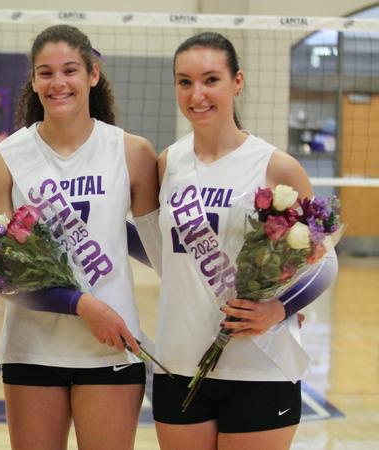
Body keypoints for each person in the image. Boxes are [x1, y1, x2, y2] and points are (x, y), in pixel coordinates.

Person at [152, 32, 339, 450]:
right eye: (185, 81)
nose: (197, 94)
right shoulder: (168, 163)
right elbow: (152, 244)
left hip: (261, 363)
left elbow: (324, 262)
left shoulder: (275, 165)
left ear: (237, 81)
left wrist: (280, 308)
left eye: (210, 79)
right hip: (180, 359)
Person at [0, 24, 159, 450]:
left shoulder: (132, 152)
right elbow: (4, 271)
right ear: (34, 80)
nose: (58, 83)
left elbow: (161, 249)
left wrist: (246, 294)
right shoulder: (2, 159)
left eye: (70, 71)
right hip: (32, 346)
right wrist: (82, 305)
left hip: (112, 345)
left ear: (93, 74)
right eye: (46, 72)